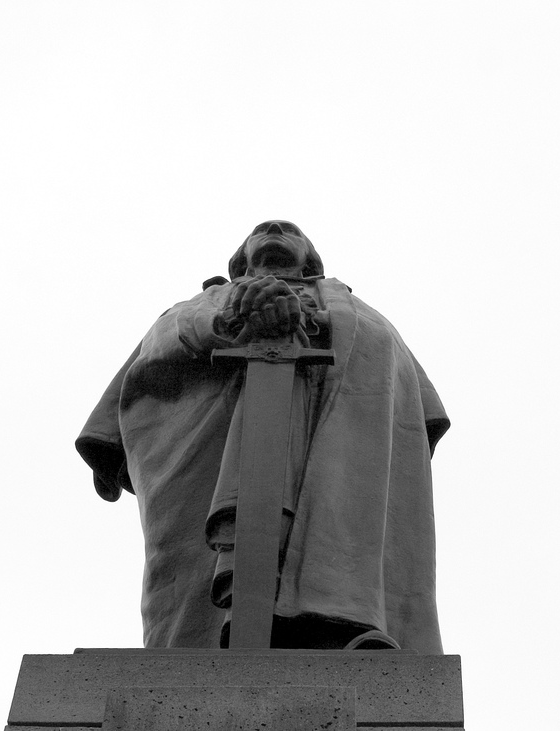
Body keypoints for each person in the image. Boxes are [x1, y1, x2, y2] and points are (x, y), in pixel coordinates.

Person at [76, 221, 449, 652]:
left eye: (288, 230)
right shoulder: (203, 301)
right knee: (194, 581)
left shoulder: (353, 307)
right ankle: (203, 641)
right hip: (210, 444)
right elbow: (165, 340)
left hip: (329, 443)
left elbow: (392, 370)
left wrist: (312, 320)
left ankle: (335, 625)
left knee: (339, 525)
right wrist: (233, 318)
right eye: (261, 231)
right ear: (241, 260)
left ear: (309, 258)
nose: (274, 229)